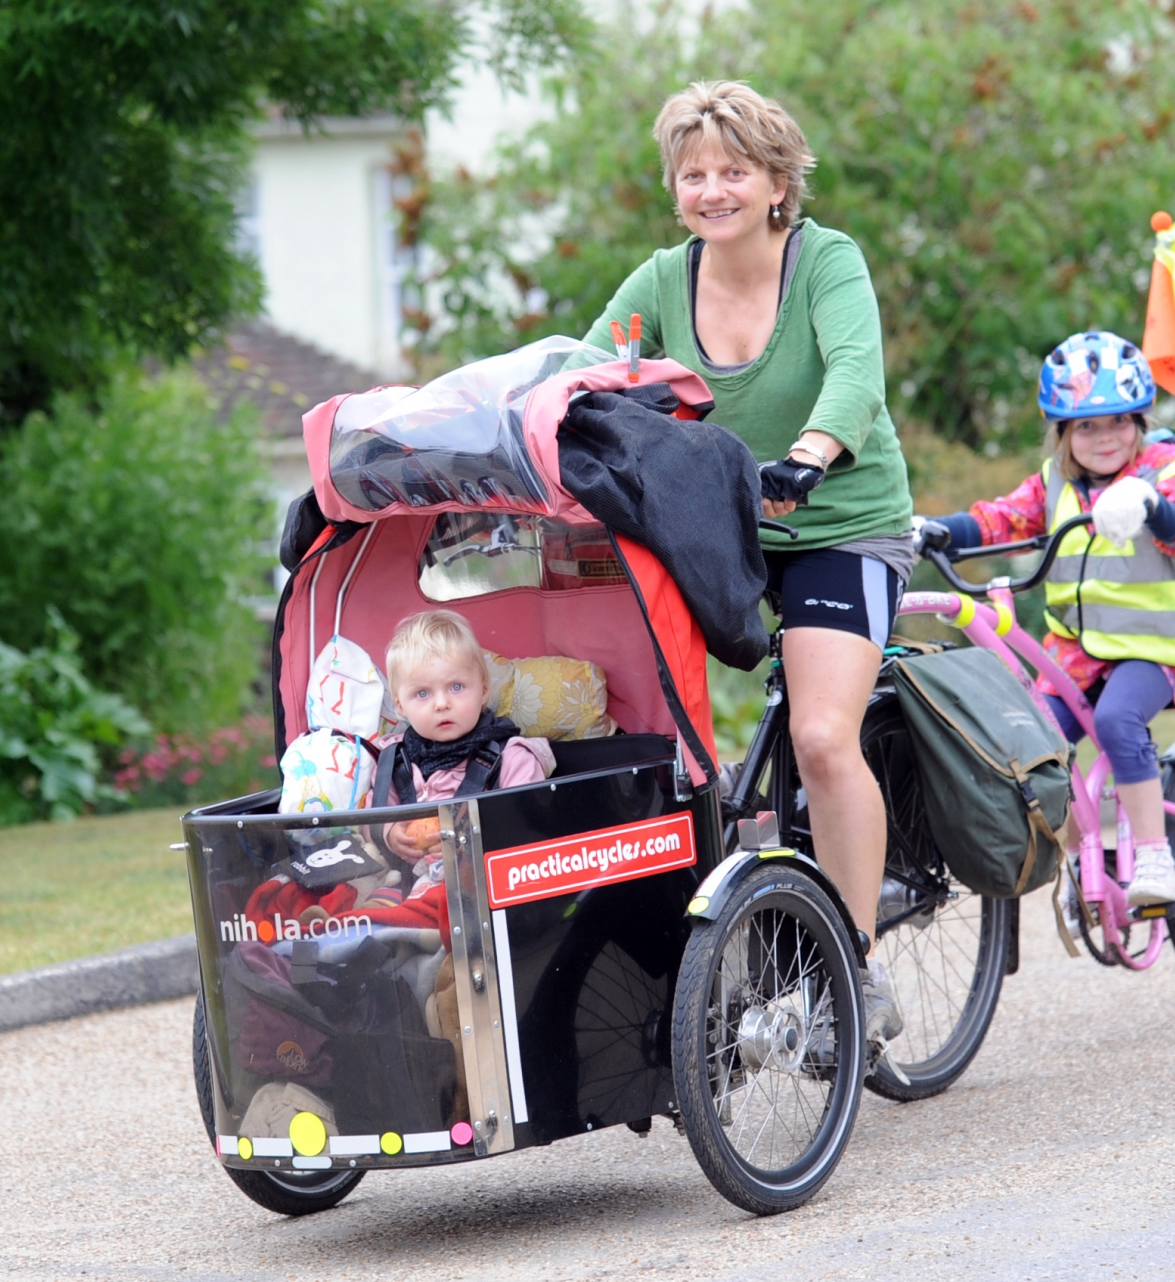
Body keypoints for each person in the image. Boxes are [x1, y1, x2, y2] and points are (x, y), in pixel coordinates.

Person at [581, 81, 915, 1041]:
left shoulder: (826, 263)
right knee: (651, 744)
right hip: (714, 529)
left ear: (778, 183)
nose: (712, 189)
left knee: (817, 738)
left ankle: (856, 964)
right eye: (694, 174)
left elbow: (856, 374)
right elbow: (583, 376)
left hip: (836, 521)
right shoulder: (657, 283)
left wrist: (810, 458)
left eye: (734, 170)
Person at [921, 332, 1175, 905]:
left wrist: (1150, 506)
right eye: (1086, 426)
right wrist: (938, 530)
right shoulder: (1055, 481)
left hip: (1154, 652)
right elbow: (1002, 520)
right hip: (1078, 655)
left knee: (1115, 720)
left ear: (1139, 421)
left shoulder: (1168, 470)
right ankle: (1086, 859)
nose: (1104, 437)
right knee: (1028, 744)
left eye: (1117, 421)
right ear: (1062, 432)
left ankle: (1157, 860)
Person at [374, 609, 554, 885]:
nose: (442, 703)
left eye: (456, 687)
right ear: (400, 706)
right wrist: (389, 833)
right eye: (422, 693)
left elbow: (526, 829)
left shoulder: (513, 757)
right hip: (408, 883)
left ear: (483, 689)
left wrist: (466, 836)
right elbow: (370, 815)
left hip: (485, 885)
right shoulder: (393, 760)